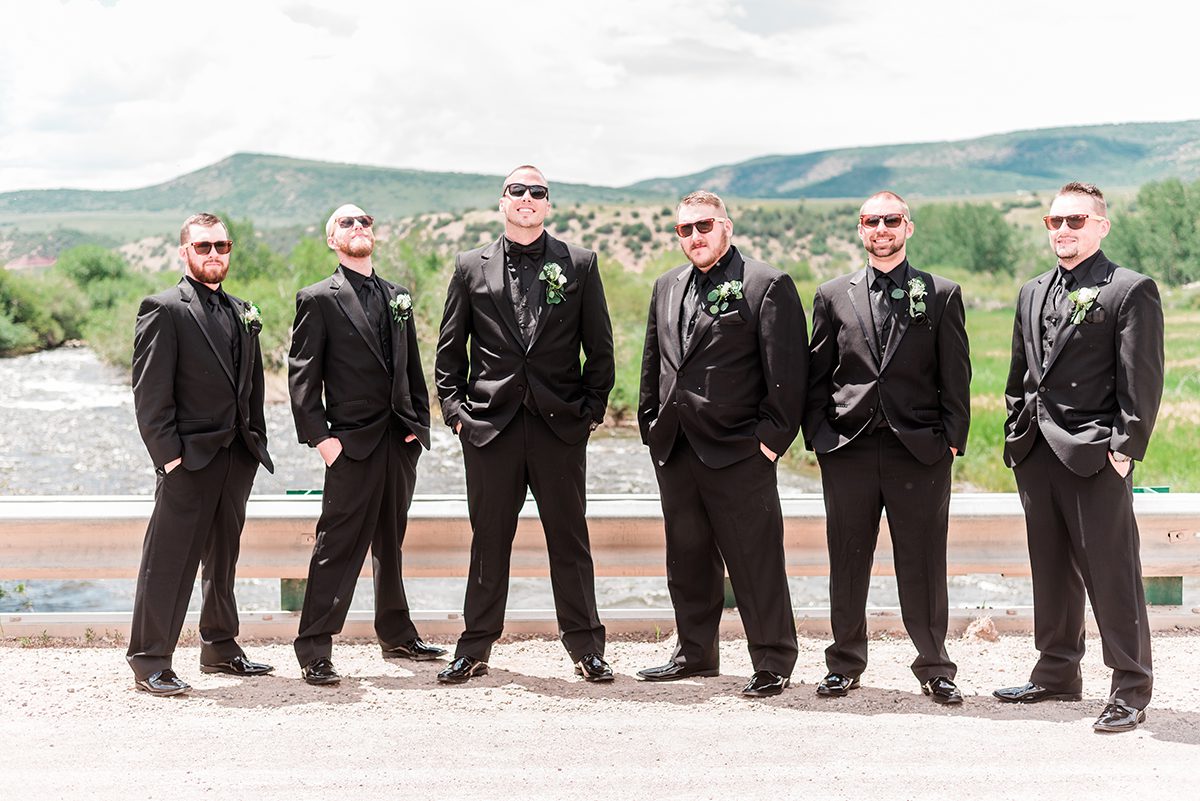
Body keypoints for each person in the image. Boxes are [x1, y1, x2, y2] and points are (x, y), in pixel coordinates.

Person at [994, 182, 1164, 733]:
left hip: (1095, 453)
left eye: (1074, 220)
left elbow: (1142, 379)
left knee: (1112, 573)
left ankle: (1131, 688)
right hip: (1036, 451)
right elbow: (1022, 373)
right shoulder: (1032, 289)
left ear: (1101, 225)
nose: (1062, 230)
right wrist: (1016, 429)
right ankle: (1057, 672)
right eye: (1054, 222)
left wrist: (1124, 449)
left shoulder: (1129, 290)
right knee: (1050, 570)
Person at [434, 166, 615, 684]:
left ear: (548, 205)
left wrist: (589, 414)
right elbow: (450, 353)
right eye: (519, 190)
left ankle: (586, 649)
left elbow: (599, 350)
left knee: (569, 539)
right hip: (490, 428)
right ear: (503, 202)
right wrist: (456, 416)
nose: (528, 198)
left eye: (538, 192)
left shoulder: (579, 263)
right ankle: (474, 648)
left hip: (560, 428)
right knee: (489, 540)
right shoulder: (471, 266)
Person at [637, 190, 807, 697]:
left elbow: (788, 375)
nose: (695, 237)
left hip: (740, 451)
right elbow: (654, 364)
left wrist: (770, 443)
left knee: (755, 562)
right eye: (685, 229)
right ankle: (695, 652)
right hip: (677, 447)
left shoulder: (766, 285)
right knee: (686, 558)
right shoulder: (666, 286)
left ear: (726, 227)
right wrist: (651, 424)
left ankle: (773, 659)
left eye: (704, 226)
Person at [802, 191, 971, 705]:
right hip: (847, 448)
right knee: (847, 559)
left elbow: (956, 375)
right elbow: (816, 374)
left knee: (922, 563)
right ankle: (845, 663)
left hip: (918, 451)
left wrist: (951, 442)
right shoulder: (833, 294)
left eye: (891, 220)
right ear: (860, 229)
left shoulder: (939, 293)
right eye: (872, 221)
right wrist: (820, 438)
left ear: (908, 227)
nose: (882, 228)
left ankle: (935, 667)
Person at [287, 203, 443, 686]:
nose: (359, 227)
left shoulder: (399, 296)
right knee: (335, 546)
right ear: (332, 240)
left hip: (399, 442)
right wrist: (323, 441)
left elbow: (412, 366)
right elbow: (302, 376)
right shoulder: (318, 298)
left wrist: (419, 427)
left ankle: (396, 633)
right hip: (349, 444)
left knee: (391, 545)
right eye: (347, 223)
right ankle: (314, 646)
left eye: (365, 221)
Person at [127, 212, 275, 696]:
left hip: (236, 456)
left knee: (223, 560)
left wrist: (255, 443)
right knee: (169, 561)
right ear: (184, 252)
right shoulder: (163, 309)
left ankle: (220, 647)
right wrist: (169, 459)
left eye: (222, 246)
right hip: (187, 459)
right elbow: (150, 396)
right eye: (204, 246)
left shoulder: (242, 309)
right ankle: (150, 659)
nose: (214, 254)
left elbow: (251, 385)